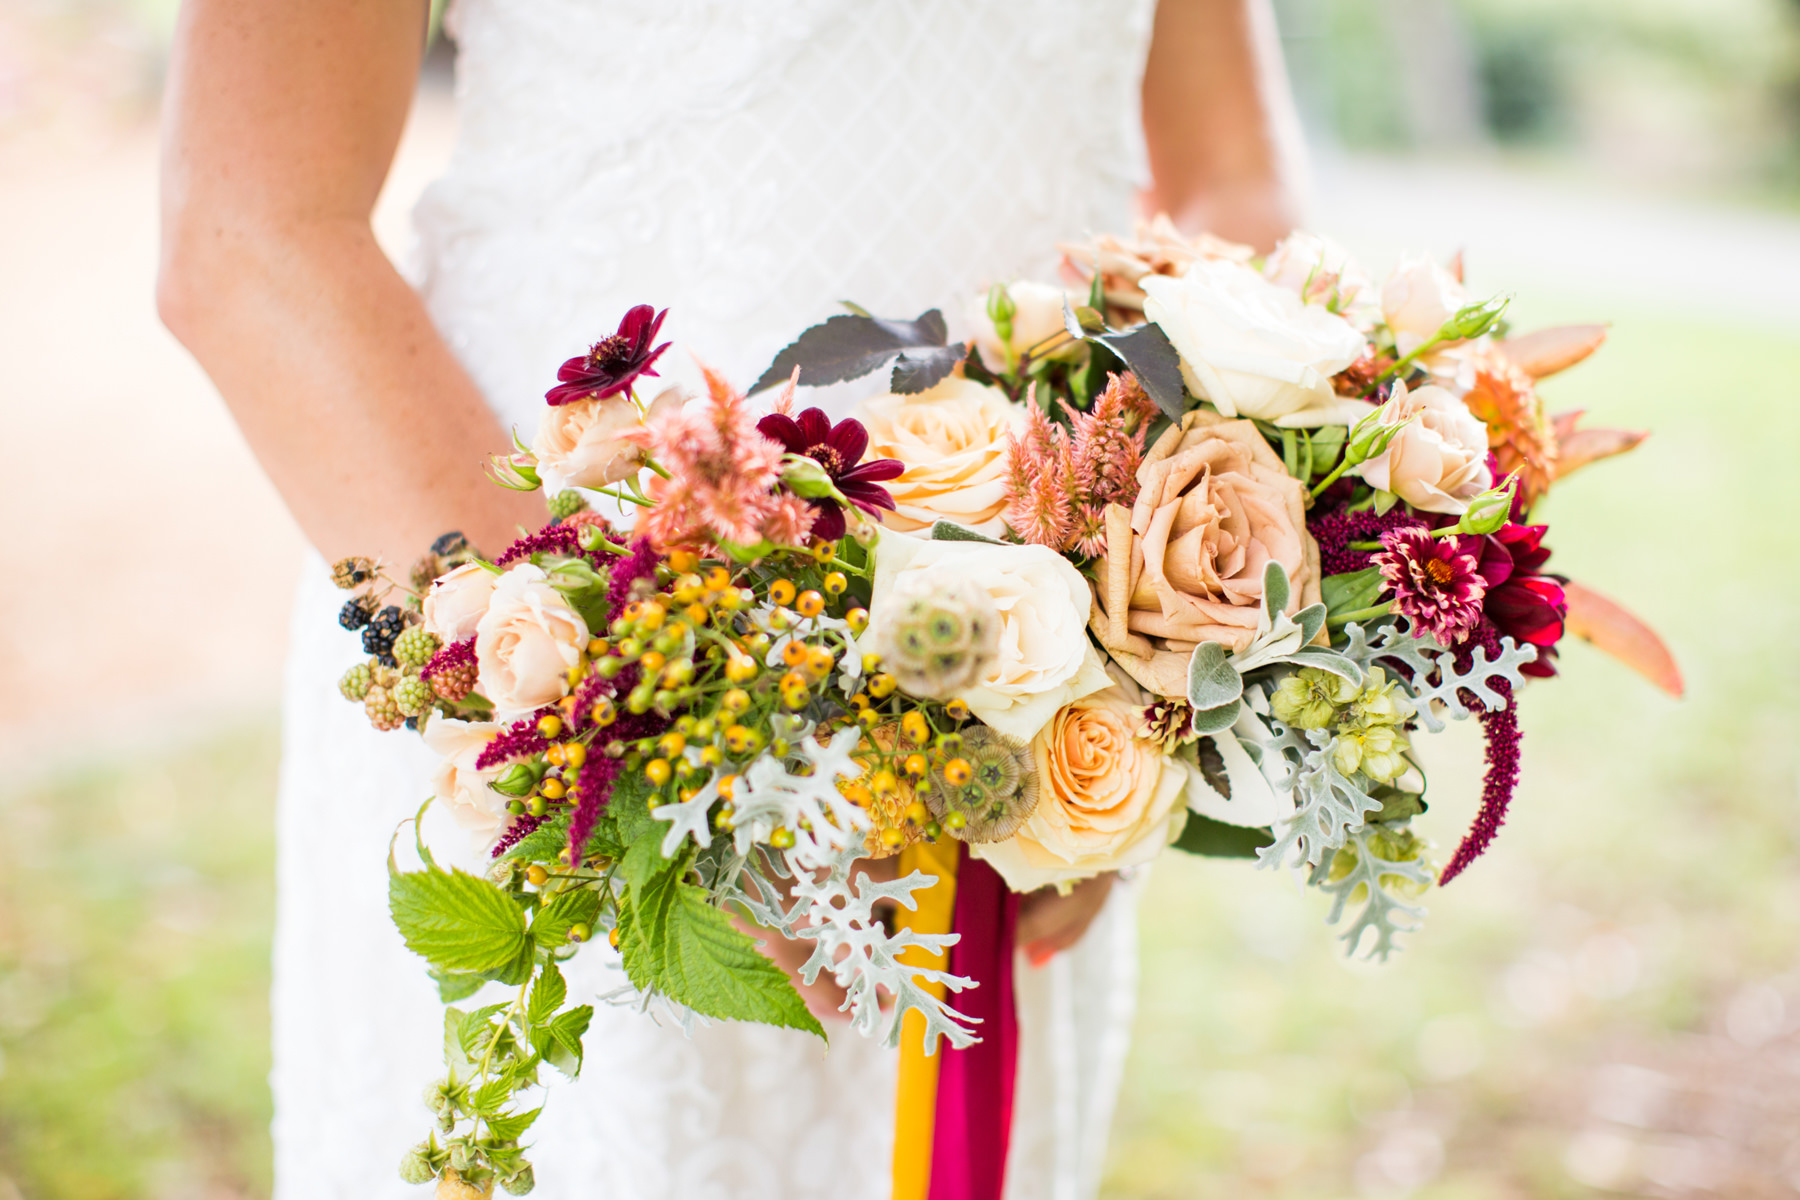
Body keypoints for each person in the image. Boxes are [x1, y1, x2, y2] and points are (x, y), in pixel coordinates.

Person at [157, 1, 1305, 1195]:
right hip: (567, 676)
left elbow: (1238, 189)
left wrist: (1122, 671)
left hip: (1021, 731)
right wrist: (648, 734)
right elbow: (248, 234)